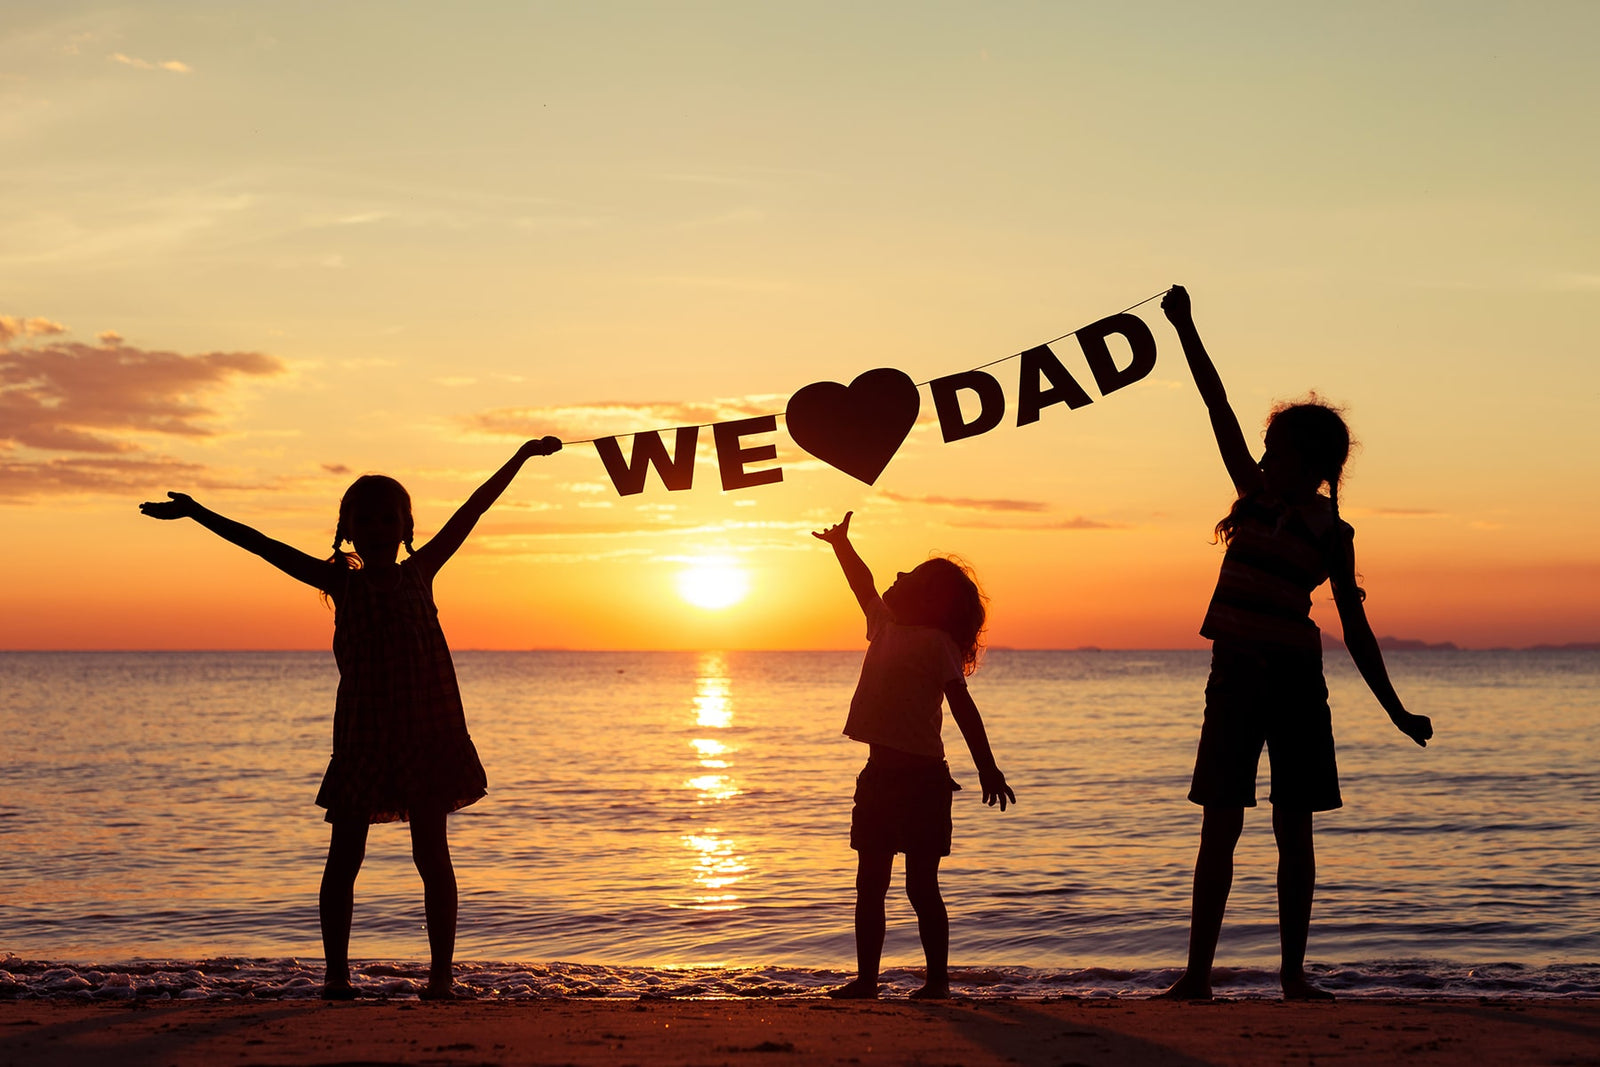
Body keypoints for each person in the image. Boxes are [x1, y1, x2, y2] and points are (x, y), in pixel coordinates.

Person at [139, 437, 562, 999]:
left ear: (406, 527)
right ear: (348, 529)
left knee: (432, 853)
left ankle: (440, 978)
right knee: (345, 857)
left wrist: (524, 455)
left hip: (428, 735)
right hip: (364, 739)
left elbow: (474, 508)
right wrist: (197, 513)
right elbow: (262, 546)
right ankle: (335, 976)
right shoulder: (341, 583)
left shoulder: (422, 572)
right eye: (367, 518)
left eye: (390, 518)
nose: (380, 527)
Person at [1157, 285, 1432, 1001]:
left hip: (1294, 685)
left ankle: (1291, 975)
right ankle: (1197, 975)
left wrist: (1397, 711)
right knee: (1219, 824)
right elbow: (1215, 406)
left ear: (1311, 463)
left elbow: (1357, 628)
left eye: (1278, 448)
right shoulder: (1251, 494)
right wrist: (1187, 327)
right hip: (1234, 678)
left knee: (1293, 831)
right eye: (1267, 447)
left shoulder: (1331, 534)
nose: (1265, 455)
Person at [812, 511, 1015, 1000]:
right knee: (870, 885)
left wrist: (987, 766)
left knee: (922, 889)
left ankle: (937, 983)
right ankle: (867, 980)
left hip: (924, 784)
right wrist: (842, 546)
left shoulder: (936, 644)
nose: (896, 577)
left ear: (930, 601)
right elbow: (861, 585)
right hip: (878, 779)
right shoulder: (882, 624)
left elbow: (963, 706)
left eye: (910, 577)